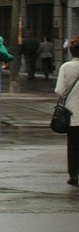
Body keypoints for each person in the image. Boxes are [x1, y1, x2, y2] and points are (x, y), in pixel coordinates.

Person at [54, 35, 79, 185]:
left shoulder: (66, 67)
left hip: (73, 114)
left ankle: (74, 174)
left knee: (73, 146)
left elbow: (60, 91)